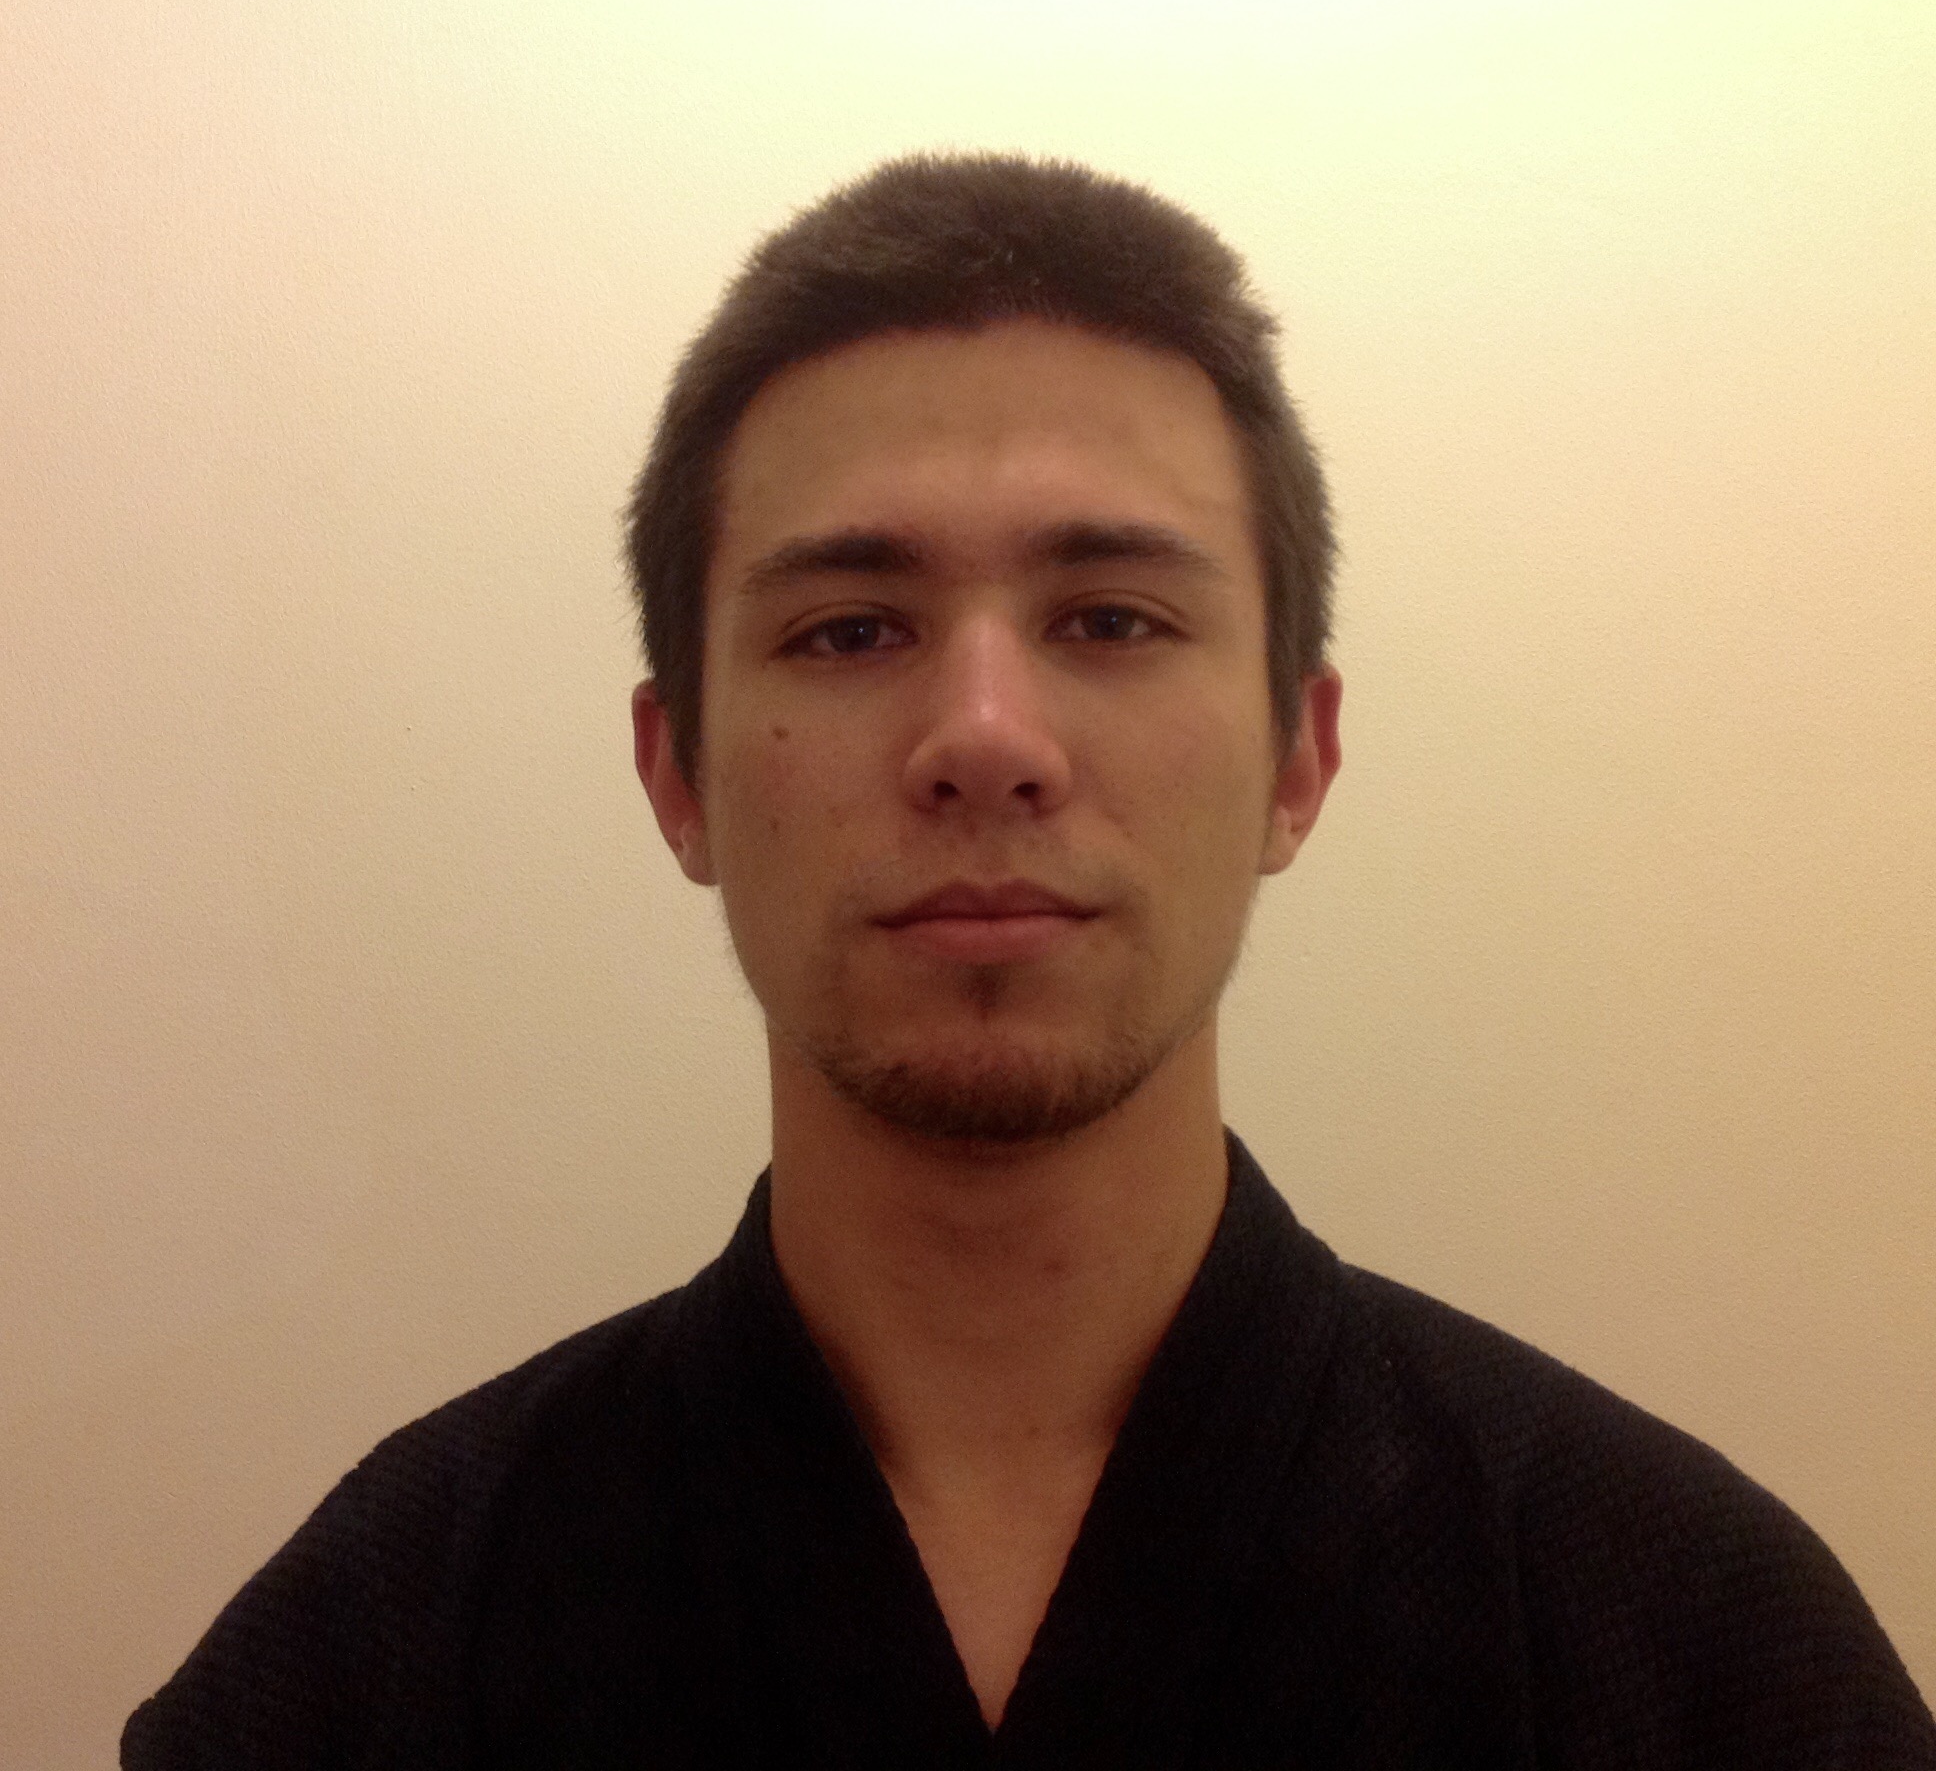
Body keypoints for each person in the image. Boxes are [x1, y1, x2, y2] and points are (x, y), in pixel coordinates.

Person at [124, 154, 1933, 1767]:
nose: (985, 737)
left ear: (1298, 761)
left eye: (1111, 618)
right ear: (677, 777)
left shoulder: (1698, 1653)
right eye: (851, 630)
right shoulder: (359, 1665)